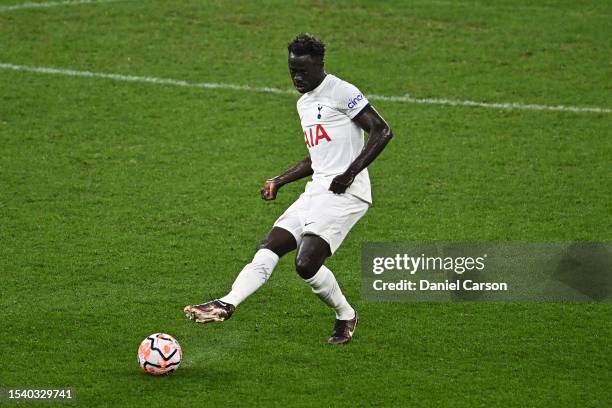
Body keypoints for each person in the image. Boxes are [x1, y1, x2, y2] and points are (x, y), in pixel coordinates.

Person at [184, 33, 393, 344]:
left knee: (306, 264)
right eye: (292, 70)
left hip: (347, 193)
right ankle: (227, 303)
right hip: (319, 188)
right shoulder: (304, 104)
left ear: (320, 65)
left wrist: (349, 173)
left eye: (303, 71)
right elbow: (317, 156)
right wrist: (279, 180)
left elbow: (382, 130)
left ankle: (346, 315)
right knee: (270, 245)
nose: (297, 77)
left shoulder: (341, 91)